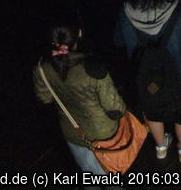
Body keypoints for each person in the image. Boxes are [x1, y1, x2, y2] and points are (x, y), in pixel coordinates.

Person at [115, 0, 181, 163]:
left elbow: (119, 41)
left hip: (146, 77)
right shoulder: (179, 10)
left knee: (153, 110)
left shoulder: (125, 12)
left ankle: (161, 146)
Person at [33, 25, 127, 175]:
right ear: (80, 34)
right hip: (103, 134)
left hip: (73, 132)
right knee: (111, 175)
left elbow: (45, 98)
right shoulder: (92, 68)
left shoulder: (41, 68)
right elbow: (114, 109)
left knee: (88, 176)